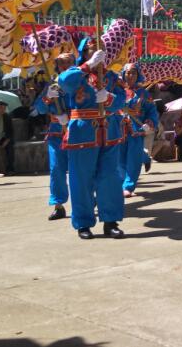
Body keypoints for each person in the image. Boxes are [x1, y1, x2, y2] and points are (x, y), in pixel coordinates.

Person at [58, 43, 125, 240]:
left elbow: (123, 99)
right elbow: (64, 82)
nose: (97, 52)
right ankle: (83, 223)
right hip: (83, 134)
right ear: (84, 53)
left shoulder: (112, 76)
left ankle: (111, 221)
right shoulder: (77, 74)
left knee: (110, 178)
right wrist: (88, 65)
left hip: (109, 131)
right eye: (91, 49)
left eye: (101, 49)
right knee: (81, 179)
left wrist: (110, 98)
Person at [34, 53, 73, 220]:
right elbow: (40, 108)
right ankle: (58, 205)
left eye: (67, 63)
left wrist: (70, 117)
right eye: (61, 63)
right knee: (56, 169)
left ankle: (87, 201)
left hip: (77, 133)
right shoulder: (52, 84)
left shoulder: (80, 83)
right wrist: (48, 97)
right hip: (56, 133)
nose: (63, 66)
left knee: (81, 171)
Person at [118, 63, 159, 197]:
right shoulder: (117, 91)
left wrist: (149, 123)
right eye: (128, 72)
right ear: (123, 74)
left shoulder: (143, 94)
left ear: (138, 75)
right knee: (120, 159)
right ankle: (145, 158)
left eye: (133, 73)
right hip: (118, 129)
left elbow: (152, 111)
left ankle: (128, 186)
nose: (130, 75)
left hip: (136, 129)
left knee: (133, 159)